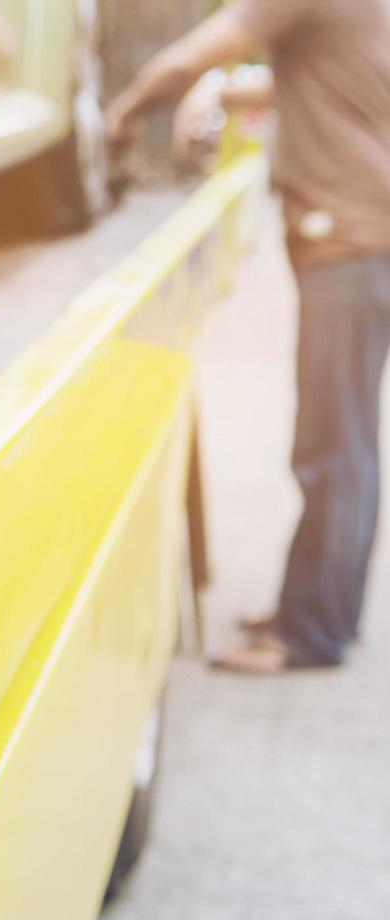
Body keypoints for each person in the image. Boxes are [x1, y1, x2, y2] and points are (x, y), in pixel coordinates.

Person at [106, 0, 390, 673]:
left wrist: (119, 114)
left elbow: (185, 58)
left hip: (346, 248)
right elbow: (299, 80)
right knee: (344, 443)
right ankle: (317, 610)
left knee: (332, 448)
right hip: (365, 243)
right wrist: (229, 94)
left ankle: (308, 634)